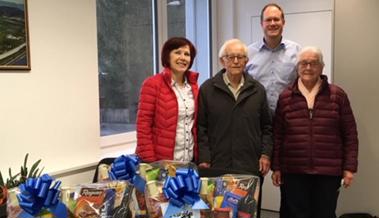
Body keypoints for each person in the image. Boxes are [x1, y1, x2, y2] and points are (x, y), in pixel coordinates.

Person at [271, 47, 358, 218]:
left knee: (325, 214)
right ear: (298, 67)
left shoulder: (337, 95)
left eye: (314, 63)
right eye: (304, 63)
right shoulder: (286, 97)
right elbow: (278, 135)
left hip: (328, 172)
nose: (308, 67)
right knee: (295, 214)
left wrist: (349, 168)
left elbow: (350, 134)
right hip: (294, 171)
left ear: (322, 67)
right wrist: (277, 167)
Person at [197, 39, 273, 218]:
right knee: (217, 212)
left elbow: (267, 127)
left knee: (248, 212)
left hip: (249, 164)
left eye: (240, 57)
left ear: (247, 61)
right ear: (222, 61)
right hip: (217, 165)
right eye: (231, 57)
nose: (236, 61)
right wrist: (205, 159)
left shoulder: (258, 90)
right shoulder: (208, 89)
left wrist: (265, 154)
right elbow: (201, 128)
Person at [245, 4, 300, 217]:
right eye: (268, 20)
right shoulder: (248, 53)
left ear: (283, 22)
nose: (273, 23)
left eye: (277, 19)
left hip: (289, 129)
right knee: (252, 183)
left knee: (290, 185)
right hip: (256, 129)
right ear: (262, 24)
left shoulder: (297, 51)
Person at [136, 37, 199, 162]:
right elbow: (143, 127)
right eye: (177, 52)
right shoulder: (152, 84)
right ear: (167, 56)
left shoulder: (194, 87)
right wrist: (151, 162)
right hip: (161, 162)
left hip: (189, 161)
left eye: (187, 54)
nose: (182, 57)